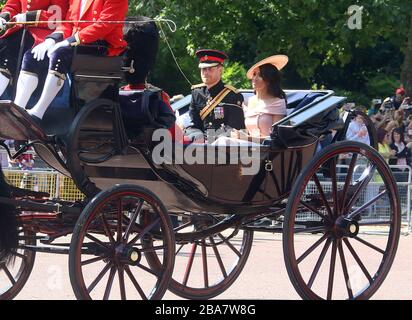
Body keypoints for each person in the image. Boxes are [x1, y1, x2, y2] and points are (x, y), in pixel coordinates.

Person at [13, 0, 128, 124]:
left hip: (102, 46)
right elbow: (68, 23)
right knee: (32, 56)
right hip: (77, 43)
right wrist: (51, 40)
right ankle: (16, 111)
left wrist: (70, 41)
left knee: (60, 54)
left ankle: (38, 113)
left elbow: (104, 26)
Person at [0, 0, 69, 98]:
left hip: (42, 33)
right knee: (4, 47)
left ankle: (19, 105)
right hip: (19, 30)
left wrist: (29, 17)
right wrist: (3, 17)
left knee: (28, 57)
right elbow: (12, 5)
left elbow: (58, 16)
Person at [185, 49, 245, 142]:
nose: (206, 73)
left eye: (210, 69)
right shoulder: (196, 93)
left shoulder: (233, 95)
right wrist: (198, 136)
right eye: (203, 69)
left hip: (223, 147)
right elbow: (193, 124)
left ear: (220, 70)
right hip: (201, 146)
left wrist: (211, 139)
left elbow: (234, 128)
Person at [242, 55, 288, 138]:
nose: (254, 78)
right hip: (249, 148)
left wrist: (246, 138)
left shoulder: (278, 102)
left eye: (260, 75)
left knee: (224, 141)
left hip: (267, 149)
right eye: (254, 74)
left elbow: (276, 138)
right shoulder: (249, 101)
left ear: (269, 80)